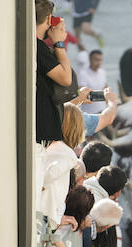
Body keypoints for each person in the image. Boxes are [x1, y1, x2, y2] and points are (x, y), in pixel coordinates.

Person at [35, 1, 73, 145]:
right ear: (49, 19)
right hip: (42, 127)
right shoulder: (38, 48)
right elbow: (65, 78)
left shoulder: (35, 46)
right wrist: (58, 43)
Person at [77, 50, 107, 114]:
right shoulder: (83, 74)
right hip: (89, 113)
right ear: (90, 59)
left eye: (100, 60)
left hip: (103, 111)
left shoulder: (102, 72)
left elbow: (105, 88)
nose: (99, 62)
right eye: (96, 60)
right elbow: (82, 94)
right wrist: (104, 96)